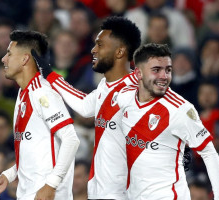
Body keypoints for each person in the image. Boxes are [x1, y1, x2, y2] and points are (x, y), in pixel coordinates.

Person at [34, 16, 141, 199]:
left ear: (119, 52)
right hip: (101, 190)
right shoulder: (106, 86)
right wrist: (50, 75)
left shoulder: (138, 90)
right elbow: (84, 106)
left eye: (100, 45)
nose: (93, 50)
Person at [114, 43, 219, 199]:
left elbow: (209, 153)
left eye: (168, 70)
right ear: (139, 73)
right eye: (156, 70)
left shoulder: (180, 109)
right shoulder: (124, 97)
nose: (164, 76)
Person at [0, 30, 80, 200]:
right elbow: (33, 153)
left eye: (9, 54)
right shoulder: (23, 94)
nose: (3, 59)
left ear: (24, 59)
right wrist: (8, 175)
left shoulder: (42, 92)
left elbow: (71, 139)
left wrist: (51, 185)